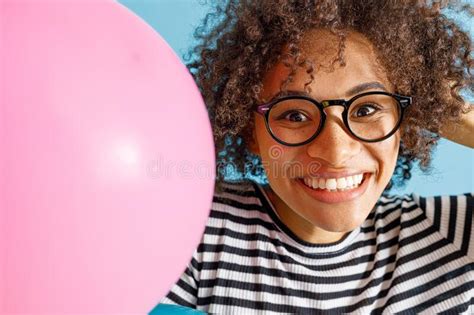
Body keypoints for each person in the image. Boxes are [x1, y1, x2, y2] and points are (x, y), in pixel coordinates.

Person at [157, 0, 473, 313]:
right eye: (294, 115)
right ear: (249, 130)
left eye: (366, 109)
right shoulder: (194, 231)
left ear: (406, 119)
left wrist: (456, 111)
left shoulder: (454, 235)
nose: (335, 153)